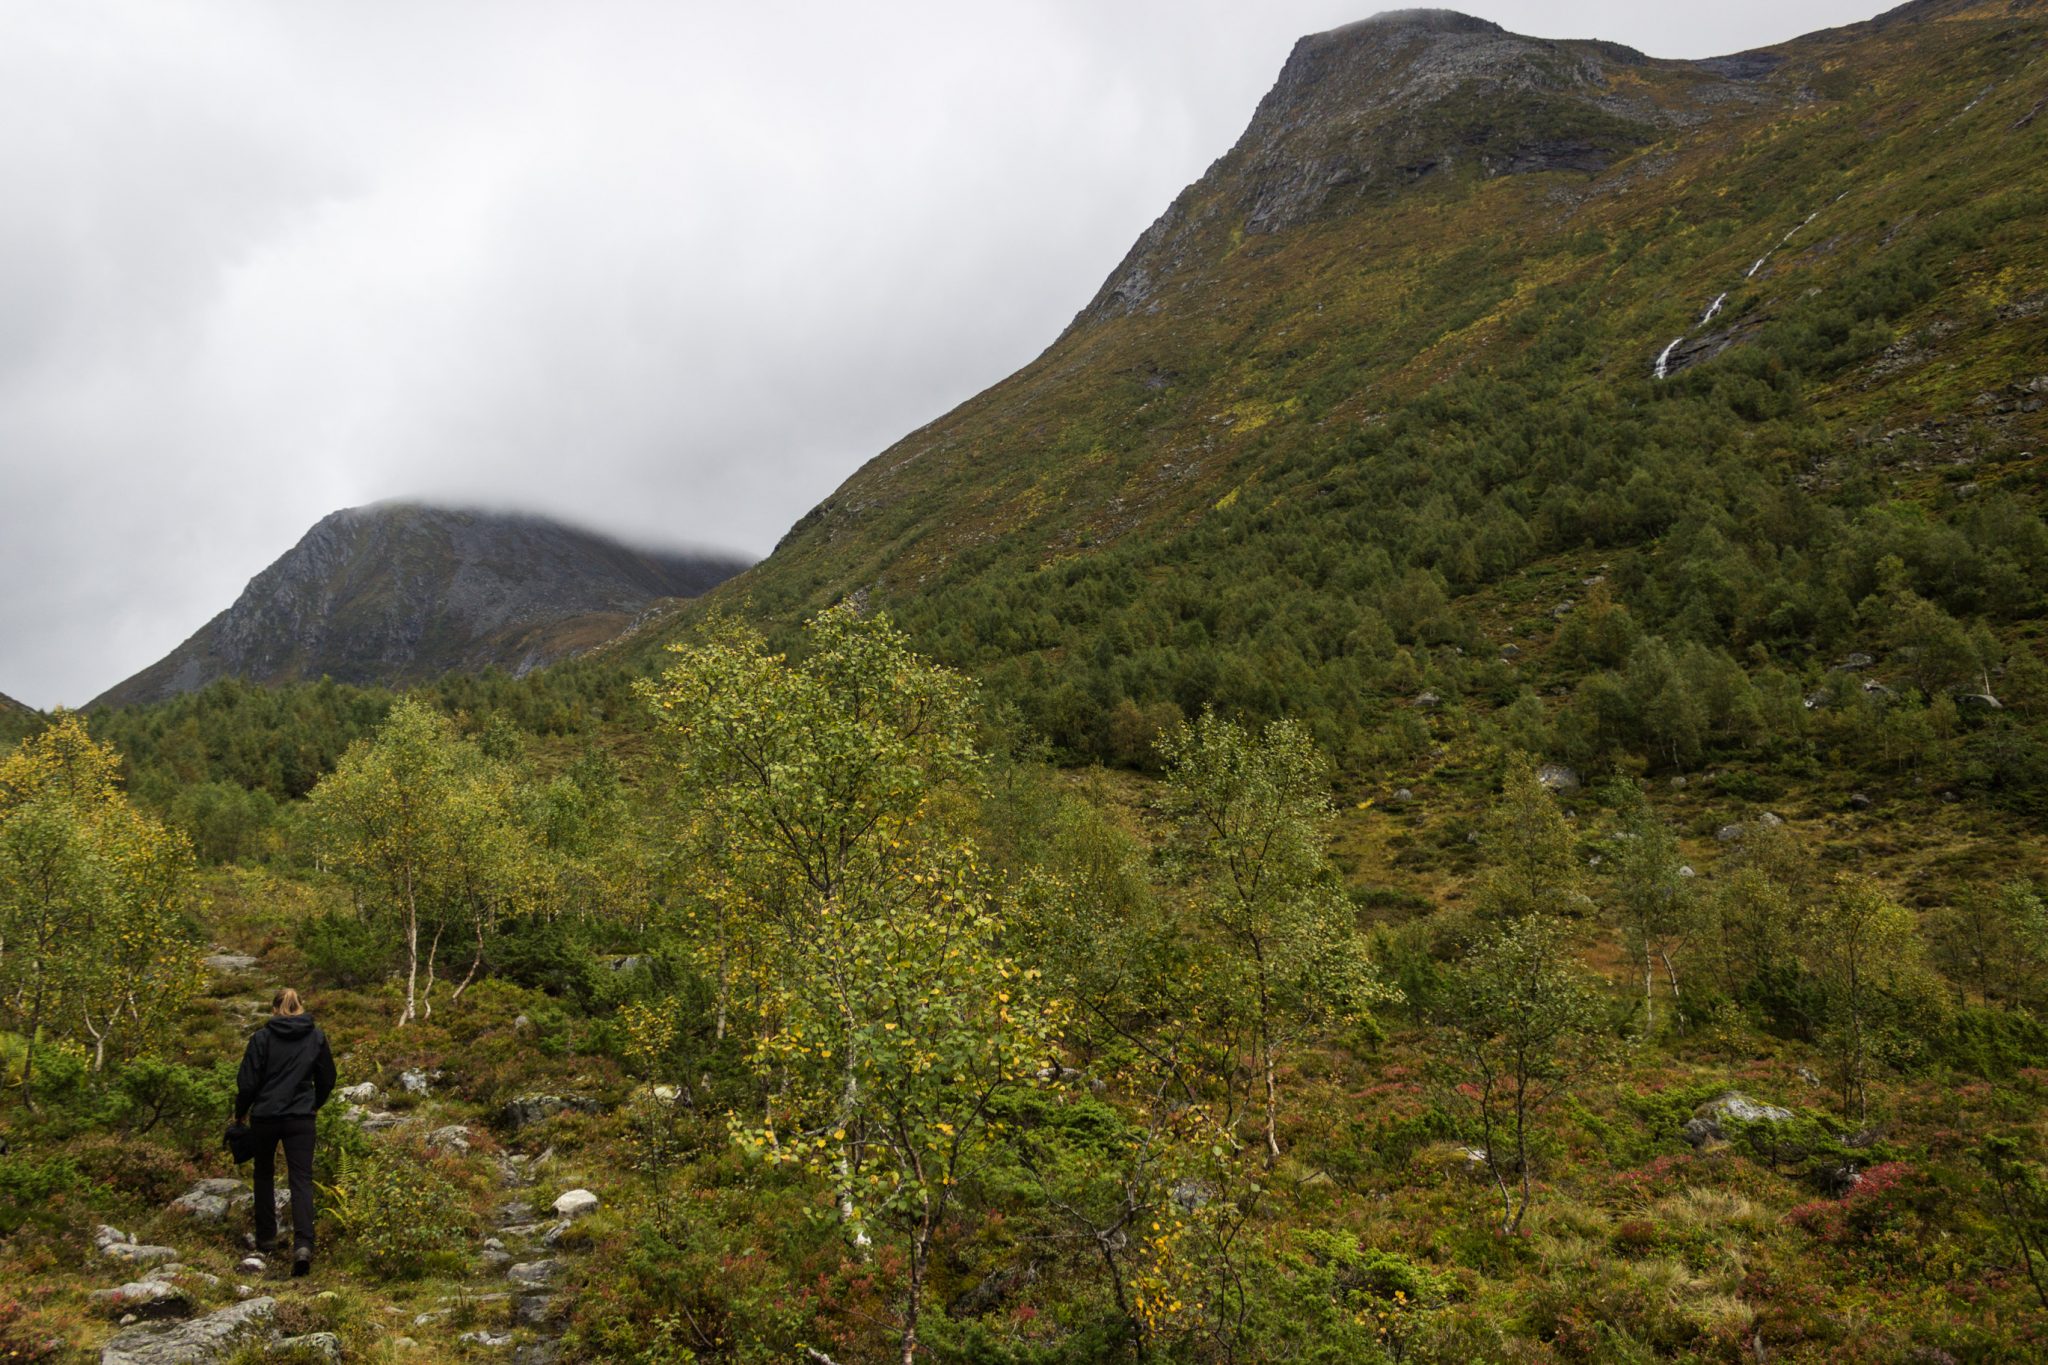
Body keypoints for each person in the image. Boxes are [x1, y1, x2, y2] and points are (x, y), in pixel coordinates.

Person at [235, 987, 336, 1275]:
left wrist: (241, 1113)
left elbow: (247, 1083)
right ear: (299, 1006)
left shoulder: (262, 1038)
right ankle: (303, 1245)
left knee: (263, 1174)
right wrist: (314, 1104)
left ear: (274, 1008)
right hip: (301, 1117)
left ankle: (266, 1238)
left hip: (266, 1116)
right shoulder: (316, 1036)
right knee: (301, 1180)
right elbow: (328, 1077)